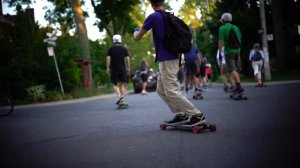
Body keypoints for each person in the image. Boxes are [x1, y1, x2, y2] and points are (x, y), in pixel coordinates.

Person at [133, 0, 206, 126]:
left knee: (171, 91)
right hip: (170, 58)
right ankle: (180, 114)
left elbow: (138, 36)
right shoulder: (170, 17)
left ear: (152, 4)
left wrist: (135, 31)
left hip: (167, 59)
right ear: (162, 3)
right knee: (161, 90)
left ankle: (196, 115)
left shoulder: (153, 17)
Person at [218, 12, 244, 94]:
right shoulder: (236, 27)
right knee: (235, 70)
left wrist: (219, 51)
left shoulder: (222, 28)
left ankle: (239, 86)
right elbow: (240, 38)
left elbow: (221, 41)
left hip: (229, 52)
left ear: (223, 20)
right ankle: (237, 86)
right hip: (237, 51)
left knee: (232, 70)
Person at [106, 34, 130, 105]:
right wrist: (128, 67)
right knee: (122, 84)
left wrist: (108, 67)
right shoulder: (124, 49)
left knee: (114, 84)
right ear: (120, 40)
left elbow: (108, 58)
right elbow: (127, 58)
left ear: (113, 41)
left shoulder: (110, 49)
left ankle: (119, 96)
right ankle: (122, 100)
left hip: (114, 69)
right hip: (122, 68)